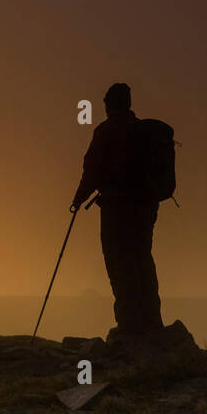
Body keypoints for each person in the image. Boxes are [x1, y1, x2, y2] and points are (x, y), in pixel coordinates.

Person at [71, 82, 170, 340]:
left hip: (116, 209)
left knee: (118, 262)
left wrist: (79, 199)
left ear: (109, 105)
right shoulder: (143, 132)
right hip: (145, 209)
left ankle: (129, 324)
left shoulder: (106, 131)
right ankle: (152, 321)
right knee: (142, 259)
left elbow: (91, 170)